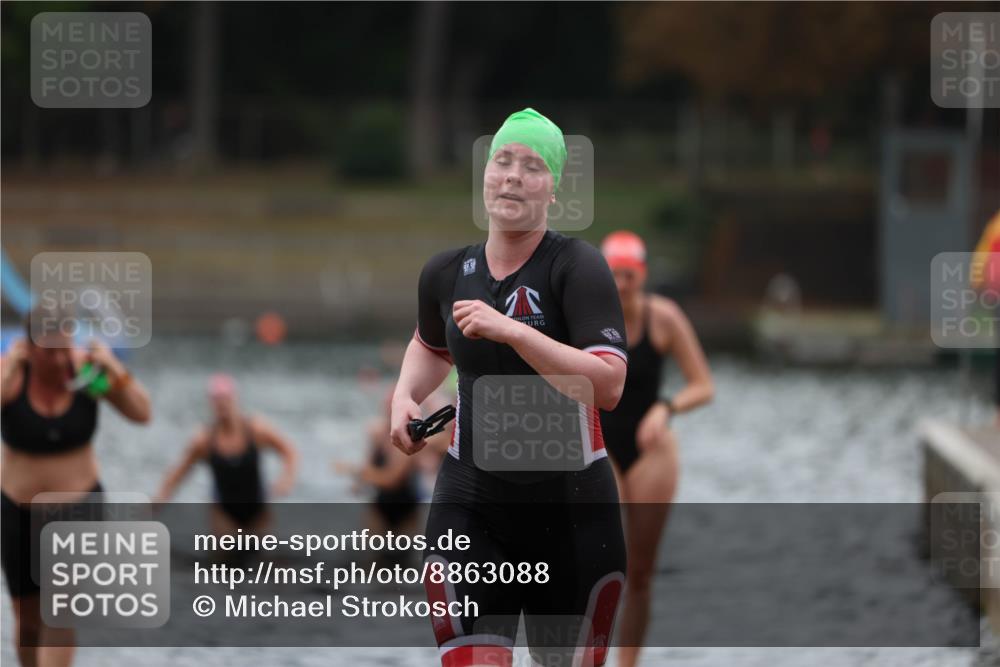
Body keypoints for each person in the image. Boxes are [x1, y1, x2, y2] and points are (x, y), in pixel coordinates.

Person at [390, 108, 629, 667]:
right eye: (502, 161)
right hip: (471, 505)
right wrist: (403, 396)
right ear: (484, 176)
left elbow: (609, 384)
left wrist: (513, 331)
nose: (513, 175)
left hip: (571, 514)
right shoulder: (446, 274)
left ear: (553, 191)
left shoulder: (577, 268)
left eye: (532, 166)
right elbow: (430, 344)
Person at [1, 311, 151, 667]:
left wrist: (113, 369)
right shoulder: (13, 376)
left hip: (77, 507)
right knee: (28, 621)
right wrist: (9, 367)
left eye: (63, 348)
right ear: (29, 347)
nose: (57, 360)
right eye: (47, 351)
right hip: (17, 511)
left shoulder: (85, 376)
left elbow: (142, 413)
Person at [598, 230, 714, 667]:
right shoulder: (587, 319)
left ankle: (628, 662)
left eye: (629, 276)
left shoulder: (663, 318)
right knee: (601, 564)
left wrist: (665, 408)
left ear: (642, 276)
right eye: (615, 276)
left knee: (640, 573)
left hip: (651, 446)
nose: (623, 285)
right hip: (601, 445)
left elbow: (703, 385)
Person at [155, 374, 298, 535]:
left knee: (263, 553)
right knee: (224, 555)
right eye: (216, 400)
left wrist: (287, 478)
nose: (221, 404)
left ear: (235, 399)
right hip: (223, 513)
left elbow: (289, 450)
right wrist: (159, 500)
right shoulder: (204, 441)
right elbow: (179, 473)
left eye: (225, 398)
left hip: (258, 508)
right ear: (211, 403)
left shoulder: (256, 430)